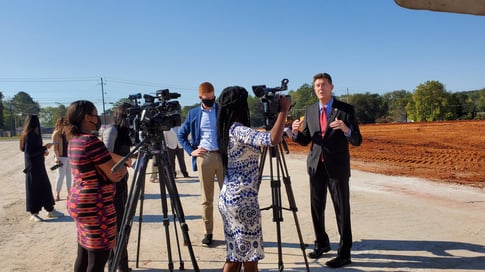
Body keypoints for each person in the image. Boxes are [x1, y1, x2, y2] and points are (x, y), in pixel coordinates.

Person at [292, 72, 362, 268]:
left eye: (323, 84)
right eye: (317, 85)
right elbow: (306, 139)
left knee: (342, 210)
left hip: (337, 168)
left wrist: (346, 130)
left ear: (331, 87)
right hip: (316, 166)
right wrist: (294, 132)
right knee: (316, 208)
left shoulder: (345, 110)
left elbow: (357, 140)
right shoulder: (310, 110)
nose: (320, 88)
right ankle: (322, 243)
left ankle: (344, 252)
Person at [217, 86, 291, 272]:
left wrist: (279, 124)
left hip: (230, 198)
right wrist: (283, 110)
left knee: (235, 255)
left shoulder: (229, 129)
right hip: (242, 201)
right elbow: (272, 139)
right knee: (250, 257)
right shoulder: (239, 130)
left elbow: (265, 136)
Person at [65, 100, 128, 272]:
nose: (98, 117)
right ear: (87, 117)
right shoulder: (91, 141)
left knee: (84, 255)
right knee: (98, 259)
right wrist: (122, 167)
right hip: (96, 206)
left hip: (79, 201)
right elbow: (114, 174)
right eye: (95, 114)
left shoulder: (74, 140)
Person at [178, 81, 224, 246]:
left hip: (222, 157)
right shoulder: (193, 114)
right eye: (207, 98)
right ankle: (208, 232)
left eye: (213, 97)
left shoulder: (222, 110)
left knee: (228, 197)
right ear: (200, 97)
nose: (211, 100)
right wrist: (191, 151)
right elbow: (181, 135)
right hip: (204, 158)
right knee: (207, 199)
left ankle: (231, 230)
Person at [100, 104, 133, 272]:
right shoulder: (112, 130)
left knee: (123, 221)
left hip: (122, 178)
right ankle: (118, 264)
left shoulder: (124, 132)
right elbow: (104, 152)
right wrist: (125, 159)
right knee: (118, 224)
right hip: (114, 181)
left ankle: (120, 263)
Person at [20, 115, 64, 222]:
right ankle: (34, 213)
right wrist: (44, 147)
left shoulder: (32, 134)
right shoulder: (29, 135)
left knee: (45, 187)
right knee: (34, 190)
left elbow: (34, 150)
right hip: (32, 168)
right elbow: (29, 153)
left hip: (38, 166)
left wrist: (42, 151)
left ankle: (50, 210)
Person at [51, 117, 72, 201]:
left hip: (69, 157)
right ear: (59, 124)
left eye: (65, 124)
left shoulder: (68, 134)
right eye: (62, 124)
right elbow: (55, 147)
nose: (64, 126)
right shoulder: (56, 134)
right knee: (60, 176)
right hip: (61, 157)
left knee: (69, 176)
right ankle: (57, 194)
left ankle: (69, 193)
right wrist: (57, 158)